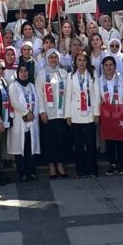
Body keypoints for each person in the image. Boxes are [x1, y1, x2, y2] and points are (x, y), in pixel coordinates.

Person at [37, 50, 71, 179]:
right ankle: (51, 166)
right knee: (50, 141)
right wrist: (42, 111)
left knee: (61, 140)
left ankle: (60, 165)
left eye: (55, 57)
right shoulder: (41, 74)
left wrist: (68, 113)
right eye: (50, 57)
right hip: (48, 114)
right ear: (47, 59)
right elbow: (39, 94)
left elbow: (68, 94)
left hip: (61, 113)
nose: (53, 60)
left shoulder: (63, 73)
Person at [67, 52, 100, 178]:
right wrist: (68, 115)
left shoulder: (92, 75)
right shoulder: (71, 76)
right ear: (75, 62)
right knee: (78, 144)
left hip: (89, 113)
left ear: (87, 62)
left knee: (91, 144)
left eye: (84, 60)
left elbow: (96, 94)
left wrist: (97, 113)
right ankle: (80, 169)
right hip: (76, 114)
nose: (81, 62)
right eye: (79, 60)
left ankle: (93, 168)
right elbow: (68, 97)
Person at [8, 63, 41, 181]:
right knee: (20, 148)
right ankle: (22, 173)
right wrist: (27, 113)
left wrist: (33, 114)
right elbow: (14, 102)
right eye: (21, 71)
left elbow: (37, 101)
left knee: (30, 147)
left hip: (32, 121)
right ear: (17, 73)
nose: (23, 73)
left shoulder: (32, 86)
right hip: (20, 121)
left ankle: (32, 171)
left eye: (25, 71)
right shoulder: (13, 86)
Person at [97, 56, 123, 174]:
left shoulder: (122, 79)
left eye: (111, 65)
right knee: (109, 140)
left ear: (115, 66)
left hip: (120, 113)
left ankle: (121, 164)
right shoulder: (99, 80)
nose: (109, 67)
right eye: (106, 65)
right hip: (106, 114)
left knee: (120, 140)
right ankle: (112, 163)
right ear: (103, 67)